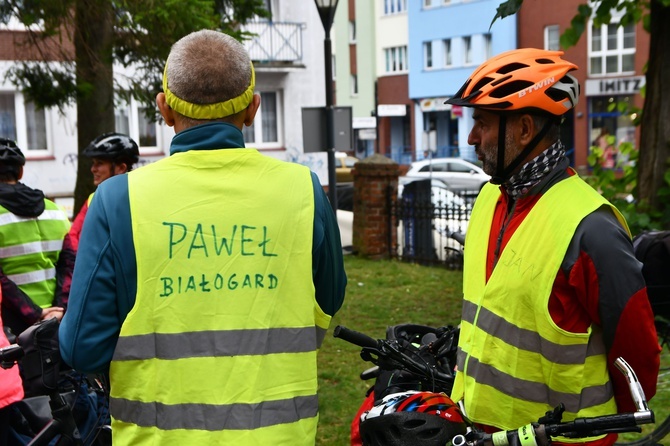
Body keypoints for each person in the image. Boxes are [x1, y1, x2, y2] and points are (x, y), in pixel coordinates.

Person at [59, 29, 347, 445]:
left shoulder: (117, 201)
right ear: (252, 109)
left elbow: (83, 348)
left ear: (164, 108)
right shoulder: (303, 190)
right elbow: (329, 299)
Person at [444, 48, 660, 446]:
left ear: (524, 129)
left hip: (564, 439)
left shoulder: (591, 228)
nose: (472, 137)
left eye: (483, 123)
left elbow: (637, 353)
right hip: (484, 430)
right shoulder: (491, 199)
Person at [0, 138, 71, 335]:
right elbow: (70, 265)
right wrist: (59, 308)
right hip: (57, 320)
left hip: (11, 325)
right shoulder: (54, 210)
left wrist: (35, 313)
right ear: (21, 171)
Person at [57, 133, 139, 303]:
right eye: (93, 164)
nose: (93, 169)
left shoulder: (141, 196)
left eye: (99, 163)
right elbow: (72, 240)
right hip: (106, 284)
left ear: (121, 167)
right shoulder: (92, 199)